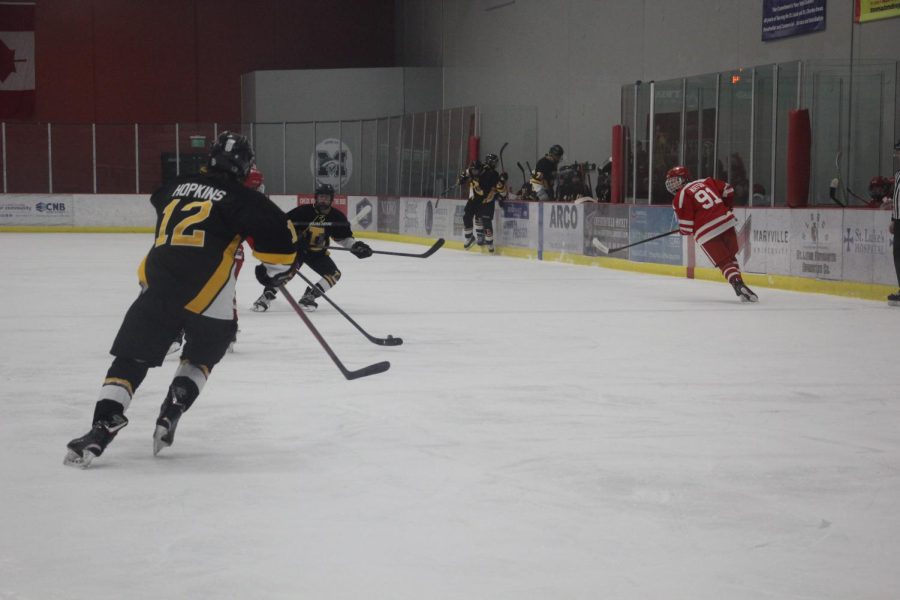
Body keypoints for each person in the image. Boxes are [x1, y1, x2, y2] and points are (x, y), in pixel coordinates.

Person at [63, 132, 298, 468]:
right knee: (201, 357)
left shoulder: (174, 186)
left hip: (158, 286)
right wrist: (274, 271)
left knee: (130, 361)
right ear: (245, 167)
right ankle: (175, 403)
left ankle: (102, 425)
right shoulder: (244, 199)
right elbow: (281, 252)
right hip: (210, 299)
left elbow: (162, 200)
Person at [251, 183, 372, 312]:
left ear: (331, 199)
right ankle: (265, 297)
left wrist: (356, 246)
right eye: (321, 197)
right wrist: (296, 237)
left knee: (334, 274)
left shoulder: (337, 216)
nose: (323, 200)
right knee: (287, 272)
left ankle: (310, 296)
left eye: (326, 197)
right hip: (299, 250)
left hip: (318, 254)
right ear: (316, 197)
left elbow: (344, 238)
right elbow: (285, 226)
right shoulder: (303, 211)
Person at [665, 165, 758, 302]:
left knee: (724, 262)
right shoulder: (706, 181)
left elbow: (687, 226)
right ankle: (740, 284)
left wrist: (683, 230)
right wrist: (725, 208)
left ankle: (737, 284)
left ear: (684, 179)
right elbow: (728, 189)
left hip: (706, 232)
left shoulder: (680, 196)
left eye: (675, 181)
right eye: (670, 182)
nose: (673, 185)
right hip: (727, 222)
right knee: (730, 257)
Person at [888, 141, 900, 306]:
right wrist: (893, 219)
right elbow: (897, 199)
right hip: (899, 220)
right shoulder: (898, 174)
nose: (897, 155)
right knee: (897, 254)